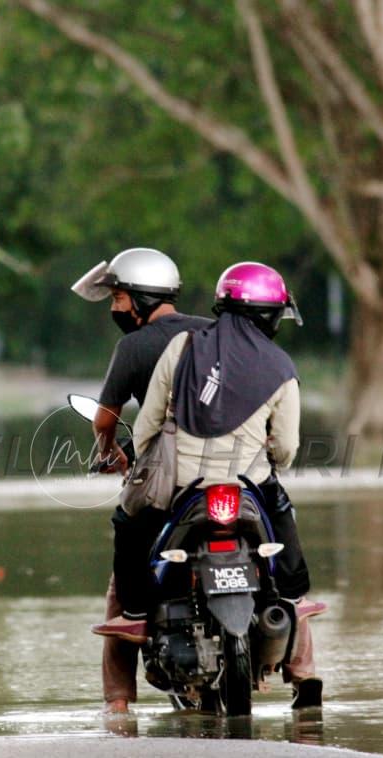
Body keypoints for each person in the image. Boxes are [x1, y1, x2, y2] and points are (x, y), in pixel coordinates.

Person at [91, 261, 323, 708]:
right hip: (247, 484)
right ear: (273, 316)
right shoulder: (281, 365)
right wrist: (269, 457)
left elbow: (149, 423)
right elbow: (288, 448)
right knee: (283, 528)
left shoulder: (183, 346)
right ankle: (299, 637)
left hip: (182, 484)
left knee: (129, 523)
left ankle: (135, 621)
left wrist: (143, 462)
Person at [70, 247, 212, 715]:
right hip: (229, 468)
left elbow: (105, 419)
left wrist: (108, 454)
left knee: (125, 542)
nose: (114, 309)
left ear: (139, 298)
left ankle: (118, 702)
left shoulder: (133, 348)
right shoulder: (212, 333)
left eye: (117, 299)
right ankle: (301, 673)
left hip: (163, 479)